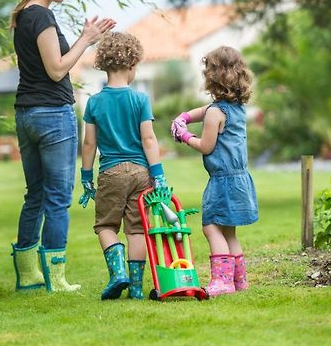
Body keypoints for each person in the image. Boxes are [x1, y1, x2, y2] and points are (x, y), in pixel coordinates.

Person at [9, 0, 116, 292]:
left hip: (27, 115)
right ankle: (55, 278)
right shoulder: (41, 18)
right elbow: (56, 70)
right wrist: (86, 39)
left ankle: (28, 275)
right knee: (56, 197)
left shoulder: (24, 16)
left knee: (36, 195)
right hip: (52, 116)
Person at [79, 32, 169, 300]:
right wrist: (158, 174)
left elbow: (88, 144)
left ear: (104, 65)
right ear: (132, 65)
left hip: (111, 172)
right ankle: (137, 289)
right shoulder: (140, 99)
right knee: (137, 230)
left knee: (106, 226)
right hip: (141, 172)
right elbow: (149, 139)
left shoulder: (94, 102)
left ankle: (118, 273)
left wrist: (86, 177)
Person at [171, 46, 258, 297]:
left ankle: (222, 282)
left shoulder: (215, 113)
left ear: (213, 76)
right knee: (228, 230)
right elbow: (205, 110)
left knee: (211, 227)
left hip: (222, 181)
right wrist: (184, 116)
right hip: (240, 178)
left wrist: (185, 135)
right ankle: (239, 280)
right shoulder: (236, 108)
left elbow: (206, 146)